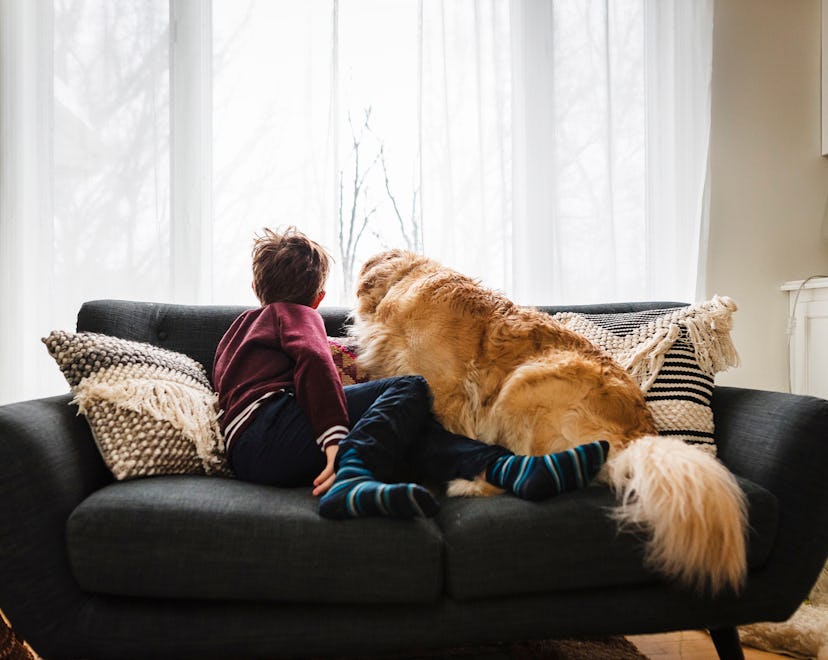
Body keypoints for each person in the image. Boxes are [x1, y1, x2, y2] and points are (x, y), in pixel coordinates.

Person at [212, 226, 609, 519]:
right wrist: (334, 444)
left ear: (256, 287)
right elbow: (315, 365)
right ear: (319, 298)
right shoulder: (293, 315)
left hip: (250, 456)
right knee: (410, 389)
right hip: (273, 430)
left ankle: (510, 469)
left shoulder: (235, 333)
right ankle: (351, 478)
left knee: (406, 430)